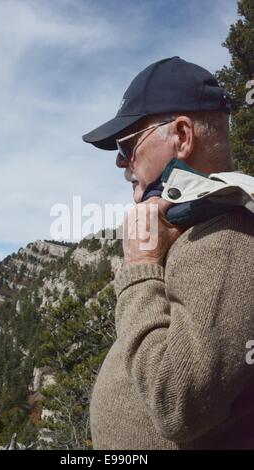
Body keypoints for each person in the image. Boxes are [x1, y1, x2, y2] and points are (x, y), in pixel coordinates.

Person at [82, 56, 254, 450]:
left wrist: (141, 266)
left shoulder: (227, 236)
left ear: (181, 135)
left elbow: (180, 405)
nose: (121, 164)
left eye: (127, 146)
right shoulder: (196, 230)